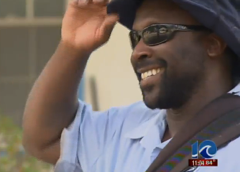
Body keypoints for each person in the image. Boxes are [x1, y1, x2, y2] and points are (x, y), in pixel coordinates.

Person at [22, 0, 240, 171]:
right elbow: (45, 140)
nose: (138, 52)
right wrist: (73, 47)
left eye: (157, 33)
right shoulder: (125, 129)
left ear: (213, 44)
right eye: (136, 37)